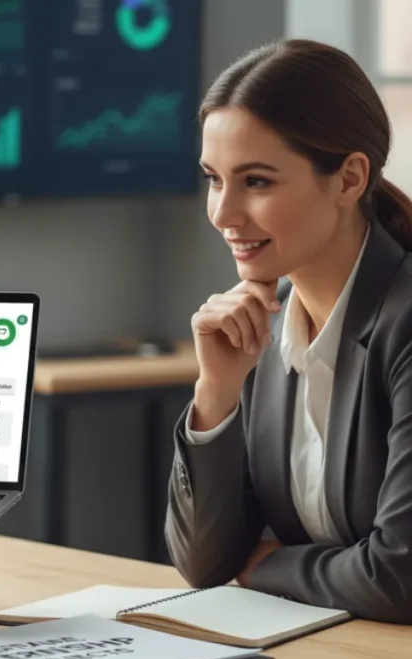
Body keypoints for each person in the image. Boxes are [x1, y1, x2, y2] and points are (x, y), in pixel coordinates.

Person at [165, 37, 412, 624]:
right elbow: (203, 564)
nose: (223, 214)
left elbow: (400, 577)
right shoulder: (263, 323)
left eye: (256, 181)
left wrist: (262, 568)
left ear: (350, 179)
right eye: (214, 179)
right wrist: (216, 394)